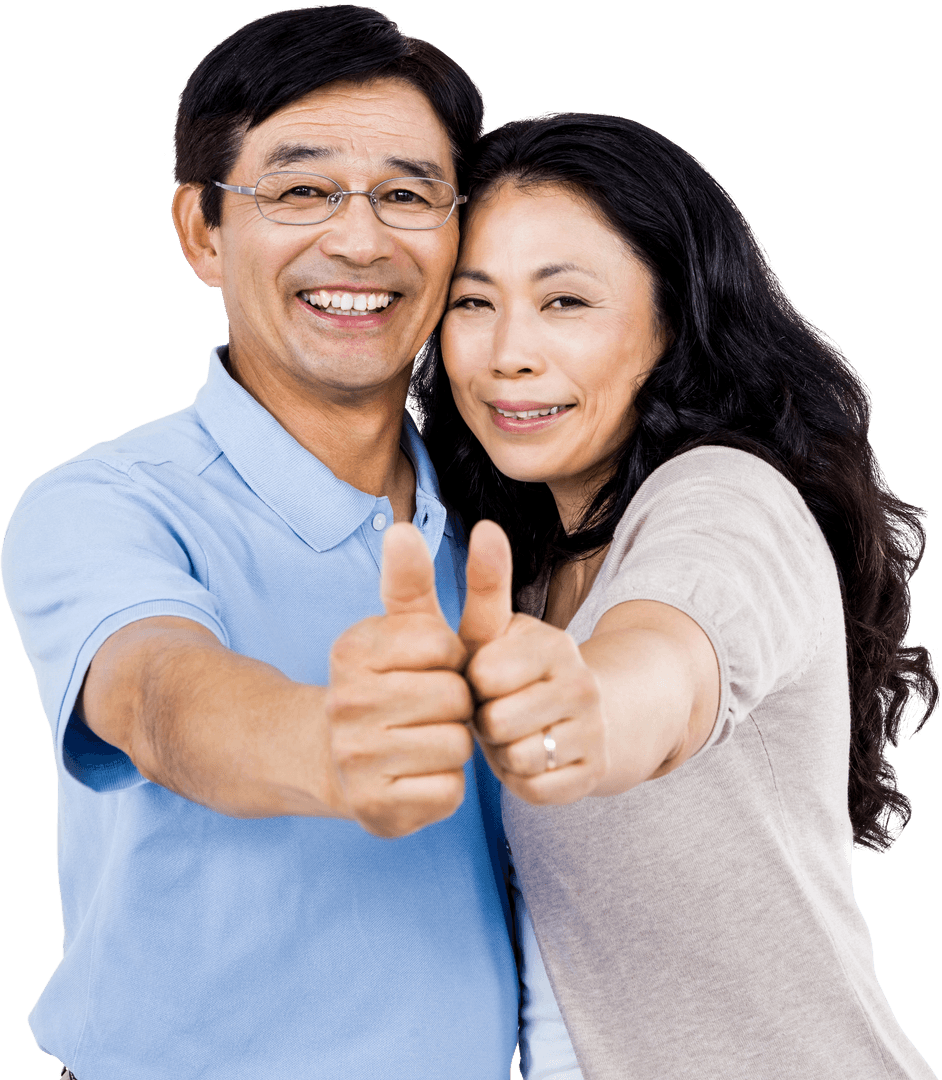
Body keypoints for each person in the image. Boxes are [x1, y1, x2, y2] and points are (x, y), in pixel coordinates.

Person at [1, 8, 523, 1078]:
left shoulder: (506, 513)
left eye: (408, 195)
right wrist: (329, 743)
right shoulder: (105, 504)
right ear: (202, 232)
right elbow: (156, 697)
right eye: (301, 191)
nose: (361, 241)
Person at [417, 113, 940, 1078]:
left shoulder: (724, 498)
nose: (507, 353)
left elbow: (665, 663)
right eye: (471, 301)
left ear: (672, 321)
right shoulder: (521, 573)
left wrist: (589, 713)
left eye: (566, 301)